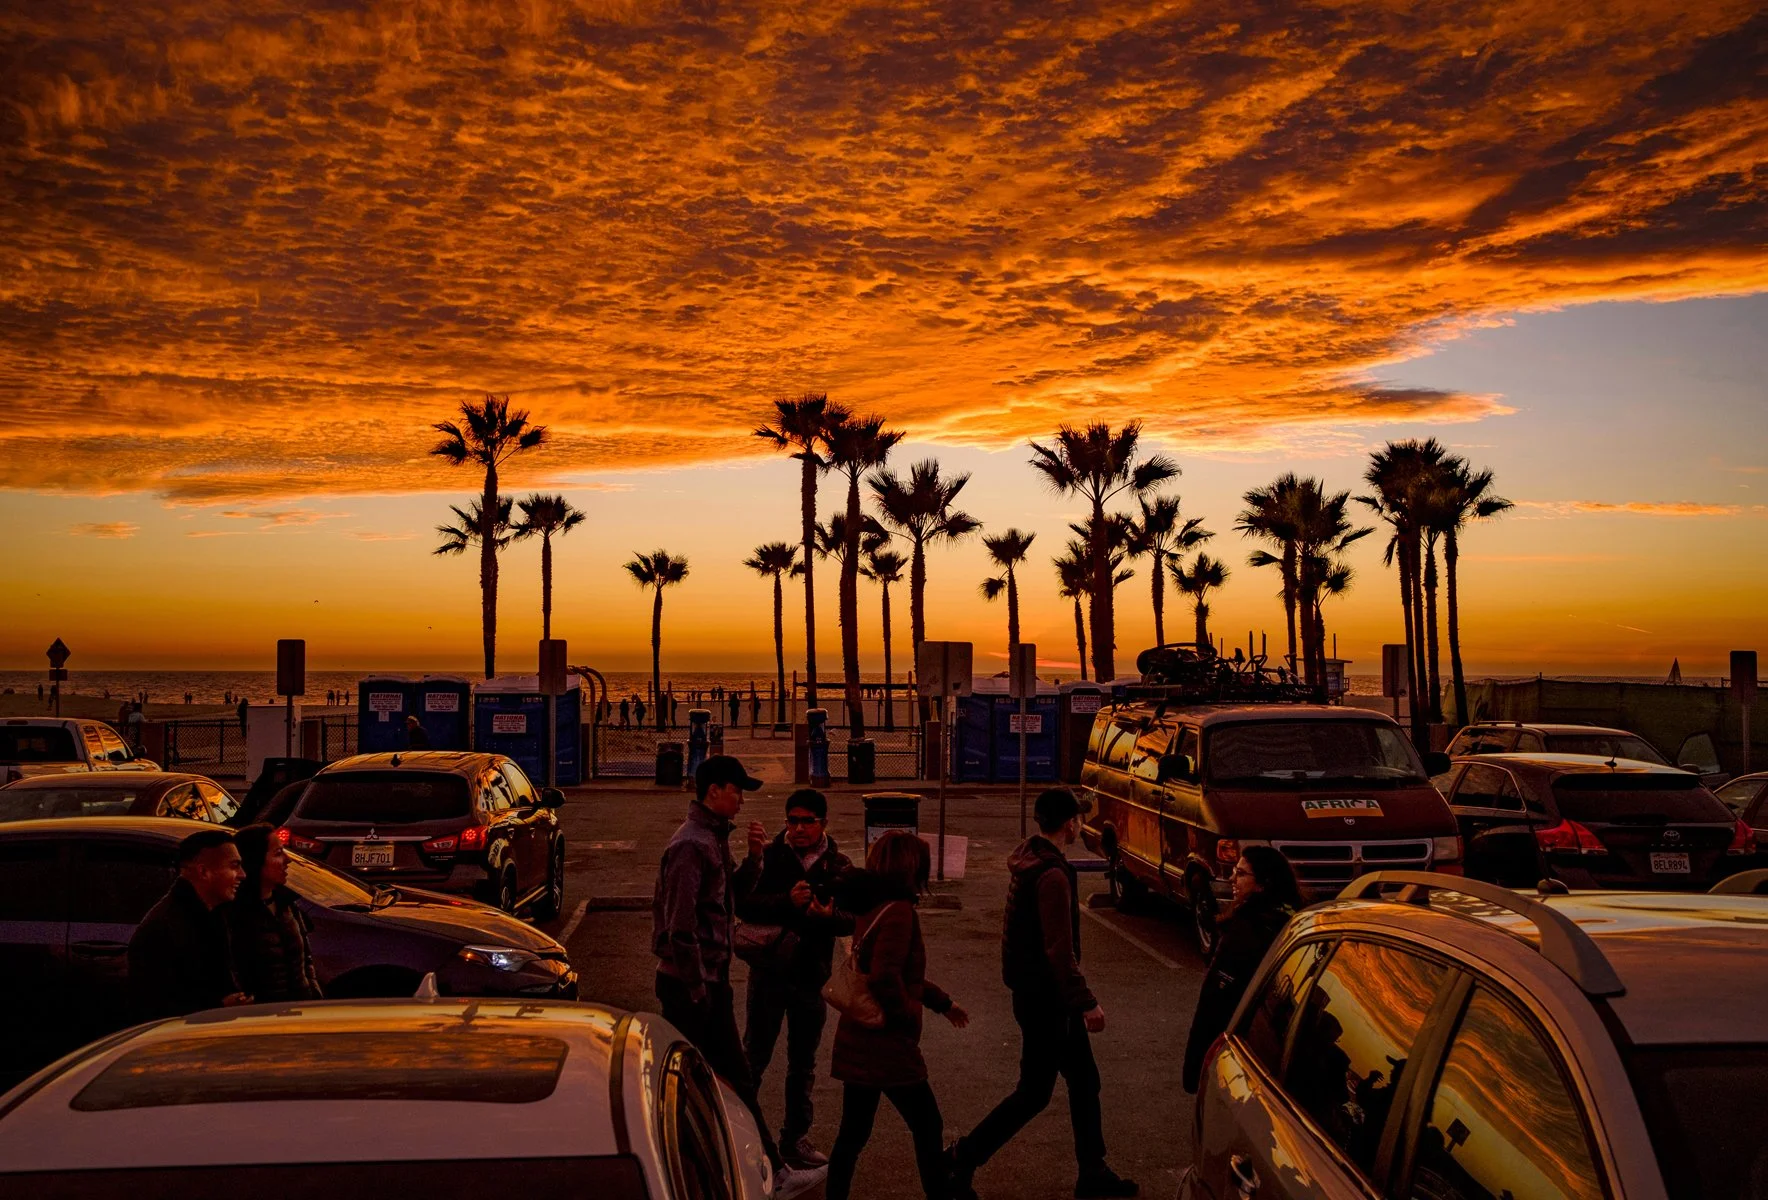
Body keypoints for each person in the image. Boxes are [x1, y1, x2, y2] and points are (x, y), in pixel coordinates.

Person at [949, 788, 1137, 1198]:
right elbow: (1058, 949)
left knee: (1083, 1081)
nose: (1081, 824)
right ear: (1070, 824)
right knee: (1035, 1092)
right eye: (1078, 818)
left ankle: (1092, 1170)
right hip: (1049, 1000)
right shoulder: (1052, 875)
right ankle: (964, 1156)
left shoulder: (1031, 859)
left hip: (1036, 995)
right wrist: (1085, 1001)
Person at [653, 755, 820, 1196]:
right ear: (714, 792)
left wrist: (755, 858)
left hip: (707, 980)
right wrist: (697, 989)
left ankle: (738, 1166)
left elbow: (730, 898)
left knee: (720, 1077)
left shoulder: (713, 837)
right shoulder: (691, 845)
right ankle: (767, 1171)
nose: (742, 800)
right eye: (737, 791)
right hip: (693, 984)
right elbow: (680, 926)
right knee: (718, 1077)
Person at [826, 830, 969, 1200]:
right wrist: (905, 1018)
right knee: (927, 1124)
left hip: (858, 1039)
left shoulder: (870, 904)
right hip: (886, 1045)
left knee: (853, 1134)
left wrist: (942, 1003)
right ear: (911, 868)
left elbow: (900, 975)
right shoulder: (899, 911)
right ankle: (940, 1195)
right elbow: (887, 976)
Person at [733, 788, 855, 1167]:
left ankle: (794, 1138)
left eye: (807, 821)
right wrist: (787, 902)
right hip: (768, 973)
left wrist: (827, 917)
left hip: (810, 978)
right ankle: (737, 1135)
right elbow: (743, 904)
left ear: (823, 823)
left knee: (803, 1064)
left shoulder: (838, 865)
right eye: (792, 821)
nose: (799, 829)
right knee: (753, 1058)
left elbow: (852, 918)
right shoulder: (770, 857)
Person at [1182, 846, 1303, 1092]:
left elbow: (1214, 1002)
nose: (1232, 879)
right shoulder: (1295, 922)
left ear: (1262, 885)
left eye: (1241, 874)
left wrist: (1195, 1067)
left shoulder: (1244, 931)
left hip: (1244, 1052)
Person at [127, 828, 251, 1021]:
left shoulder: (214, 915)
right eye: (234, 866)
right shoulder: (163, 928)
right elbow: (156, 1007)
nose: (242, 875)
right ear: (203, 871)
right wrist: (219, 1007)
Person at [227, 824, 323, 1003]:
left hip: (300, 1009)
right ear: (256, 860)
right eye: (278, 853)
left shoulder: (287, 904)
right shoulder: (234, 913)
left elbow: (306, 960)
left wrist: (313, 993)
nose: (288, 860)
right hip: (263, 1013)